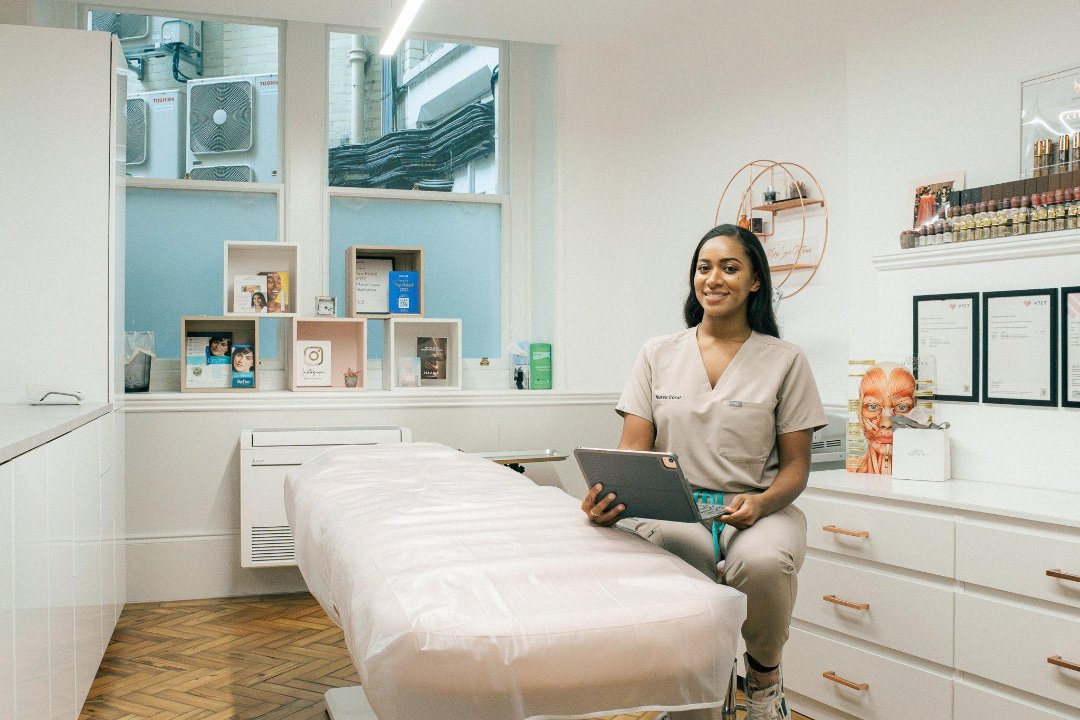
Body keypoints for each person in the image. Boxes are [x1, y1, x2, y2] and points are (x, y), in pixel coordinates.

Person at [581, 224, 826, 720]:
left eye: (730, 268)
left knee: (761, 564)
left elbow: (797, 467)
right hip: (675, 507)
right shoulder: (658, 353)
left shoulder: (785, 360)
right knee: (684, 554)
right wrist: (606, 499)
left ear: (755, 281)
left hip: (757, 505)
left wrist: (761, 503)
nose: (714, 279)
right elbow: (633, 452)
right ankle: (694, 692)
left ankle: (763, 680)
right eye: (704, 267)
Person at [849, 362, 916, 474]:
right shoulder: (850, 472)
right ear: (859, 413)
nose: (887, 423)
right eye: (873, 406)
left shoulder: (925, 472)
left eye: (902, 407)